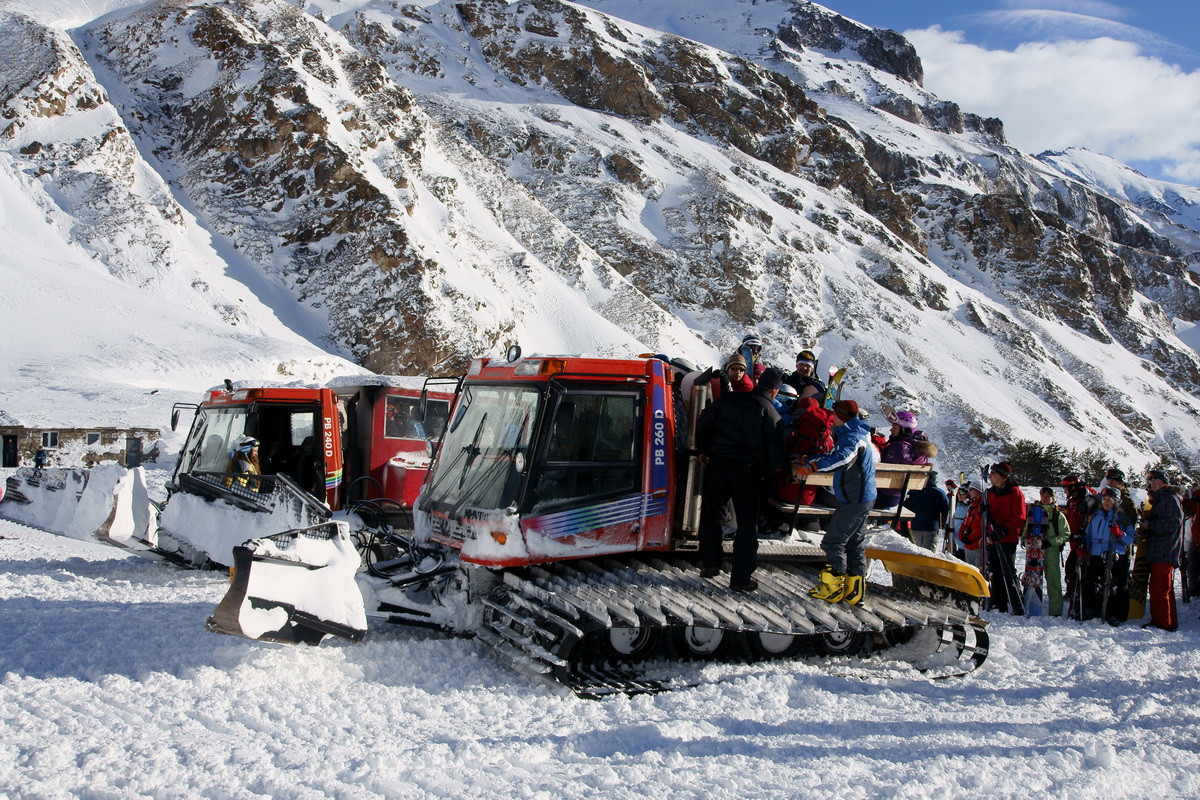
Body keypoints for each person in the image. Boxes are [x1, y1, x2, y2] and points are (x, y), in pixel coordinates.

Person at [695, 368, 787, 591]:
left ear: (758, 383)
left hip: (717, 463)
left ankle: (710, 564)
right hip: (747, 470)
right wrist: (767, 469)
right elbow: (778, 448)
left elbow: (704, 420)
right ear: (774, 390)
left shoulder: (729, 399)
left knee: (713, 514)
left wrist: (703, 449)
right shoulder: (770, 411)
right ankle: (740, 578)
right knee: (746, 525)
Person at [794, 399, 876, 605]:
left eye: (834, 415)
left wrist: (813, 468)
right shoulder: (854, 433)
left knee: (833, 542)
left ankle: (833, 588)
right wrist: (811, 459)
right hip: (859, 497)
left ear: (841, 416)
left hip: (854, 499)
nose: (832, 418)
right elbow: (833, 454)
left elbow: (842, 459)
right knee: (855, 543)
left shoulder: (853, 437)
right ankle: (855, 590)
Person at [1138, 469, 1183, 631]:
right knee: (1161, 588)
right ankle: (1166, 621)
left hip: (1165, 550)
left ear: (1165, 482)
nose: (1153, 483)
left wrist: (1150, 525)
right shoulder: (1161, 499)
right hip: (1159, 549)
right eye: (1151, 481)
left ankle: (1163, 623)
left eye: (1156, 480)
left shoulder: (1169, 499)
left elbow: (1174, 523)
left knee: (1160, 588)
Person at [1083, 488, 1134, 624]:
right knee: (1090, 581)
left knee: (1115, 585)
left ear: (1116, 502)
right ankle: (1090, 609)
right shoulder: (1095, 516)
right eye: (1104, 499)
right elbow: (1088, 534)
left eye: (1109, 500)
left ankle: (1115, 613)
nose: (1106, 502)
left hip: (1115, 554)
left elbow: (1130, 539)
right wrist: (1084, 547)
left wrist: (1119, 534)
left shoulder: (1123, 519)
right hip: (1096, 553)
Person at [985, 461, 1027, 614]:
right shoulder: (990, 493)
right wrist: (983, 512)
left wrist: (1004, 530)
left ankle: (1017, 603)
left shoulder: (1014, 492)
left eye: (994, 474)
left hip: (1007, 537)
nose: (991, 476)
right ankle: (998, 602)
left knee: (1008, 570)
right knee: (995, 570)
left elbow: (1019, 516)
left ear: (1003, 477)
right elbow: (986, 514)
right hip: (993, 536)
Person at [1028, 487, 1071, 617]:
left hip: (1051, 553)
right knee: (1032, 582)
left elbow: (1066, 534)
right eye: (1043, 495)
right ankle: (1032, 608)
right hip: (1034, 552)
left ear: (1053, 497)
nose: (1045, 497)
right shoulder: (1034, 512)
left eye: (1048, 495)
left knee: (1053, 583)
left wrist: (1051, 542)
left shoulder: (1058, 515)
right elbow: (1027, 528)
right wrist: (1025, 540)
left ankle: (1055, 612)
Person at [874, 411, 931, 509]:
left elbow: (882, 468)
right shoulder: (915, 447)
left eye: (895, 428)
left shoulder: (899, 448)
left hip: (882, 495)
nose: (891, 430)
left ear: (905, 431)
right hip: (896, 496)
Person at [903, 469, 950, 550]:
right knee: (929, 553)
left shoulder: (913, 491)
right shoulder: (939, 493)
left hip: (915, 526)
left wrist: (904, 525)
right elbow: (946, 509)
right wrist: (945, 525)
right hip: (931, 527)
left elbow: (906, 507)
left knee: (917, 551)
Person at [956, 483, 986, 571]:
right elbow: (965, 522)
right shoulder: (971, 506)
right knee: (969, 571)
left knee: (977, 571)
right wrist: (961, 536)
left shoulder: (981, 506)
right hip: (968, 546)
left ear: (978, 491)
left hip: (977, 545)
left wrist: (969, 538)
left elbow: (981, 526)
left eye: (972, 490)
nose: (969, 492)